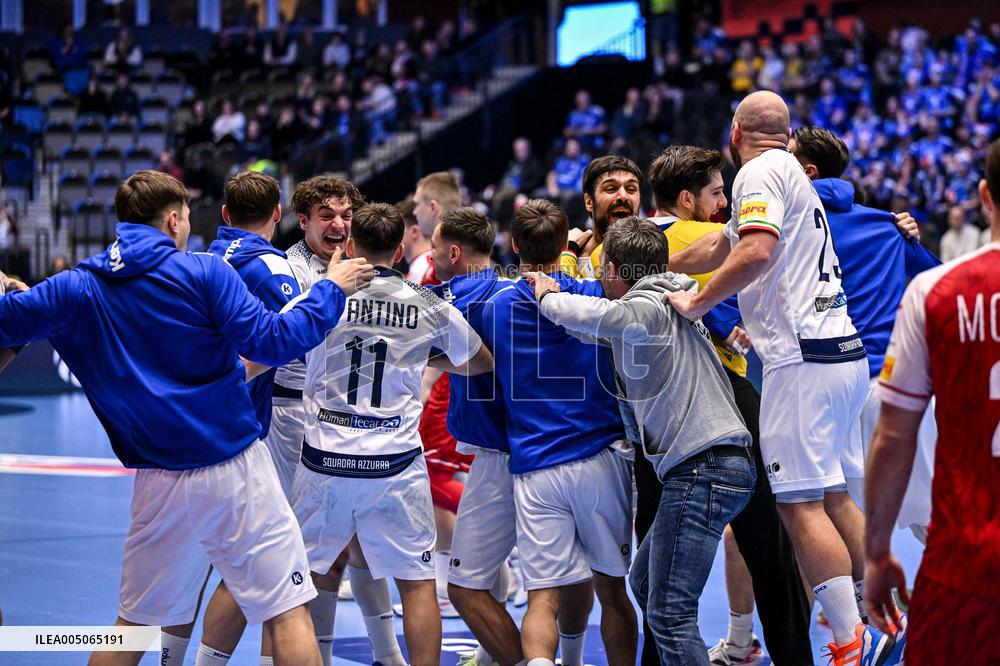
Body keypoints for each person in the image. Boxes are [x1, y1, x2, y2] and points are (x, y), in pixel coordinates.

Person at [0, 170, 375, 666]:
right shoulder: (203, 273)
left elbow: (11, 320)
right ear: (173, 220)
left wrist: (13, 293)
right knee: (287, 612)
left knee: (131, 630)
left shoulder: (76, 286)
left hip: (156, 477)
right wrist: (331, 288)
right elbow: (275, 342)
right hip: (231, 466)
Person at [666, 91, 895, 664]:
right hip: (843, 354)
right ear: (788, 134)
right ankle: (889, 623)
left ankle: (851, 640)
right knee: (834, 495)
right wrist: (663, 266)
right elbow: (721, 243)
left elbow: (756, 250)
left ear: (735, 131)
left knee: (797, 507)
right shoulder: (791, 169)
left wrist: (695, 304)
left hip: (802, 358)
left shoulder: (759, 171)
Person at [531, 216, 754, 664]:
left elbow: (588, 314)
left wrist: (547, 293)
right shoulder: (667, 303)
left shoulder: (649, 306)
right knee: (646, 584)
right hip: (708, 466)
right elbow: (591, 327)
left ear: (613, 270)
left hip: (703, 467)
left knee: (671, 613)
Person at [291, 202, 493, 666]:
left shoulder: (322, 295)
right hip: (394, 463)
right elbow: (480, 362)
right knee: (417, 583)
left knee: (307, 577)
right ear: (400, 250)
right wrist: (421, 355)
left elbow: (284, 343)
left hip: (326, 458)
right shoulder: (427, 303)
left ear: (352, 245)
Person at [482, 199, 636, 666]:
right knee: (612, 590)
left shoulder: (495, 307)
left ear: (512, 245)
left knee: (542, 597)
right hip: (600, 458)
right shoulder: (596, 295)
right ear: (567, 238)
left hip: (536, 465)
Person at [865, 138, 1000, 666]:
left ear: (985, 195)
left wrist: (877, 552)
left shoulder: (935, 292)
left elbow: (894, 436)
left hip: (967, 564)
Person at [277, 176, 406, 666]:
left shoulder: (365, 266)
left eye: (346, 215)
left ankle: (389, 656)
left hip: (356, 423)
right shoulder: (287, 269)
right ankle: (322, 656)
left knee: (362, 540)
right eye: (326, 215)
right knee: (315, 547)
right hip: (293, 416)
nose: (338, 224)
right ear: (303, 220)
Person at [789, 126, 941, 533]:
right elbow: (937, 280)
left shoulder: (789, 228)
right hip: (896, 385)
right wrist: (909, 237)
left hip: (834, 386)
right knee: (929, 515)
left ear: (807, 171)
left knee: (837, 518)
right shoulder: (885, 224)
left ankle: (869, 598)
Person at [427, 207, 522, 666]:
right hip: (545, 448)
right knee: (562, 578)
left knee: (464, 585)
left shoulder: (451, 301)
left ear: (454, 252)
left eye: (433, 246)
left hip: (498, 455)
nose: (429, 254)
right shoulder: (517, 288)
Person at [407, 171, 472, 617]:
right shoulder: (468, 256)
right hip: (463, 379)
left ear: (433, 209)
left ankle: (455, 579)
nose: (413, 213)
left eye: (417, 204)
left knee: (436, 477)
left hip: (445, 383)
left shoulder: (432, 267)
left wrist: (421, 393)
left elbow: (429, 342)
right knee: (451, 475)